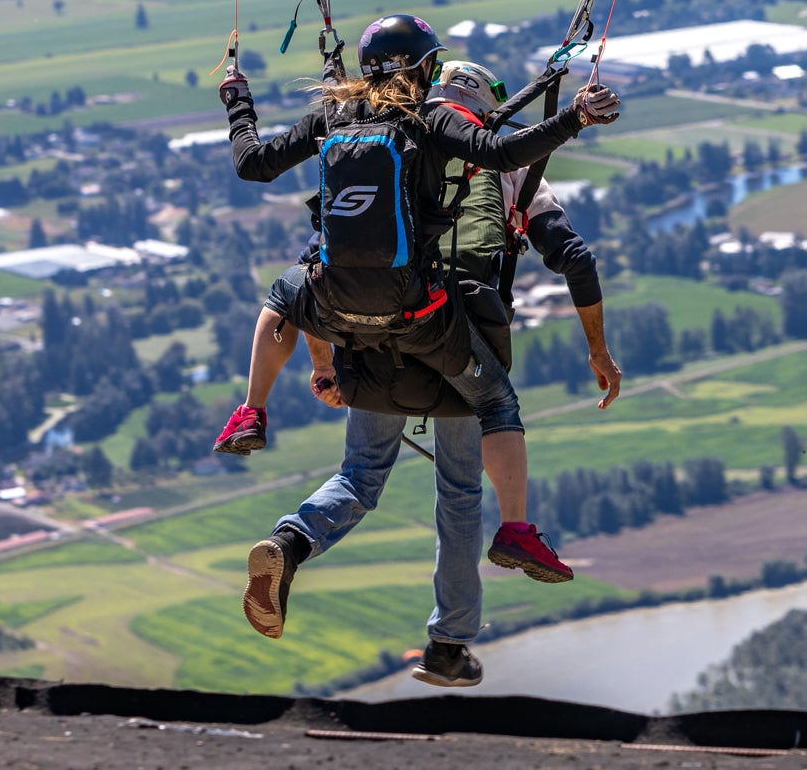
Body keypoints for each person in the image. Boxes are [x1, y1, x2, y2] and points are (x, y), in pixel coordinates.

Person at [239, 57, 622, 688]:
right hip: (460, 339)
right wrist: (598, 352)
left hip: (373, 331)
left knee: (360, 475)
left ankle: (289, 543)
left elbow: (326, 260)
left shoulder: (395, 141)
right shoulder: (512, 170)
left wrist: (324, 360)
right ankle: (448, 647)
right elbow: (572, 256)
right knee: (461, 493)